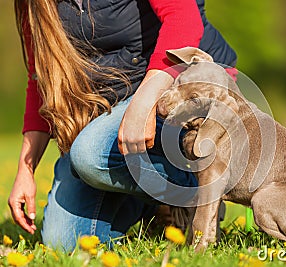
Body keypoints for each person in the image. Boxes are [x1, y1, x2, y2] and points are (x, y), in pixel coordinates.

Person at [8, 0, 237, 252]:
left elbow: (184, 19)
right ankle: (155, 205)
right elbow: (42, 77)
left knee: (90, 153)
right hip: (108, 107)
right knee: (65, 243)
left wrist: (145, 103)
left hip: (180, 85)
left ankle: (201, 187)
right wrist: (25, 169)